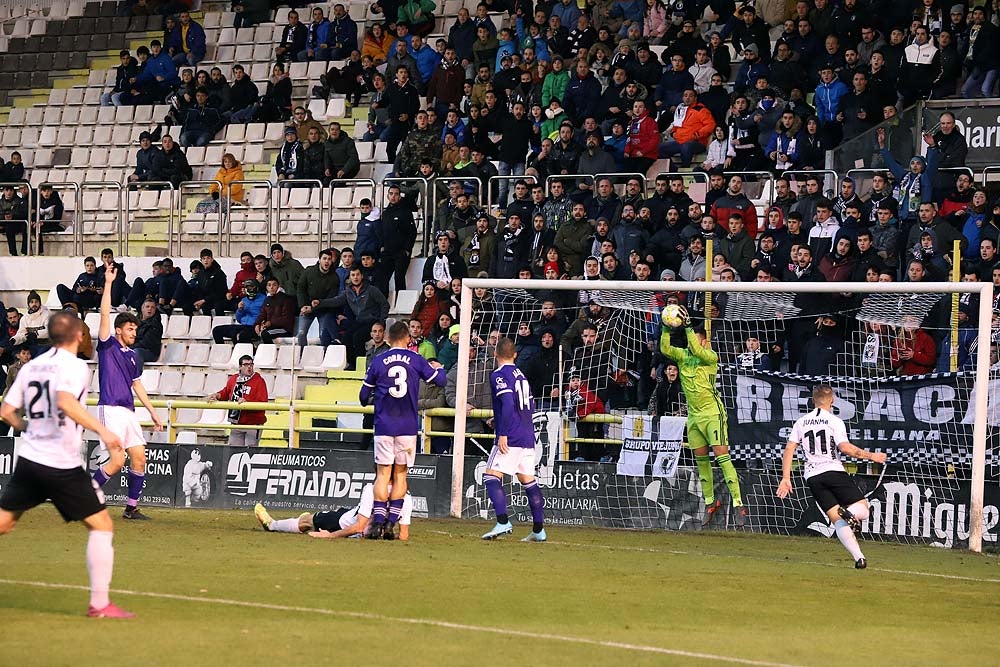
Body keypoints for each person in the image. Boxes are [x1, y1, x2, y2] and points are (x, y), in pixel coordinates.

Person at [0, 311, 133, 617]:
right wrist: (104, 431)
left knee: (5, 524)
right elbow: (64, 401)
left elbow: (7, 410)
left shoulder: (32, 365)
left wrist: (29, 427)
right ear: (76, 335)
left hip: (30, 458)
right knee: (101, 525)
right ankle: (100, 604)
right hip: (60, 462)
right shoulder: (75, 366)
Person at [777, 385, 887, 569]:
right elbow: (845, 448)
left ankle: (859, 558)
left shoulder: (801, 422)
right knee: (864, 510)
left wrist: (786, 478)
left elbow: (789, 449)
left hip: (812, 476)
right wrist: (872, 456)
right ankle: (851, 514)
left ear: (813, 401)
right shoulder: (835, 421)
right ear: (833, 400)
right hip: (833, 471)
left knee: (837, 520)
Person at [659, 305, 745, 526]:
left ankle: (738, 504)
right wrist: (666, 328)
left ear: (704, 341)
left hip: (713, 414)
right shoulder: (682, 356)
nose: (691, 344)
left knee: (722, 457)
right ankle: (710, 501)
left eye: (696, 340)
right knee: (701, 461)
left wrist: (687, 327)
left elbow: (697, 350)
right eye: (690, 340)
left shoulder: (709, 356)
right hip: (694, 418)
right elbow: (665, 349)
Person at [358, 321, 445, 539]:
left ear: (388, 338)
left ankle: (377, 522)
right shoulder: (416, 359)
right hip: (407, 426)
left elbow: (362, 397)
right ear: (407, 338)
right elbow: (441, 381)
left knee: (383, 473)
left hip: (384, 425)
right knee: (401, 474)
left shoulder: (378, 361)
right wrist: (437, 369)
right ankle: (390, 524)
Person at [90, 263, 164, 520]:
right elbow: (103, 315)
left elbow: (137, 385)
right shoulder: (107, 345)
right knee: (117, 461)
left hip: (129, 411)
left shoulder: (133, 356)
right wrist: (109, 283)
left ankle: (131, 508)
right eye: (130, 329)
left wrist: (153, 412)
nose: (134, 332)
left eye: (135, 328)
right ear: (118, 330)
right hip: (109, 408)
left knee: (140, 459)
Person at [480, 337, 547, 542]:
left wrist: (503, 433)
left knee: (491, 476)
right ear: (515, 355)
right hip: (527, 435)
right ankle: (538, 530)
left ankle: (502, 521)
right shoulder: (521, 376)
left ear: (495, 354)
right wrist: (498, 418)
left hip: (512, 435)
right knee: (528, 480)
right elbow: (530, 404)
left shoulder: (499, 374)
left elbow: (508, 403)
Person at [254, 482, 412, 540]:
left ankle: (272, 525)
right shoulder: (407, 497)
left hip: (343, 524)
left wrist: (330, 535)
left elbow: (358, 527)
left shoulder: (372, 489)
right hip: (351, 516)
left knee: (308, 521)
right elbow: (404, 536)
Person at [206, 355, 268, 446]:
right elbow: (227, 392)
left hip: (253, 424)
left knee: (249, 452)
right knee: (234, 451)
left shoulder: (259, 381)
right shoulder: (234, 379)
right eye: (246, 364)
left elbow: (263, 402)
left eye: (251, 364)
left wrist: (247, 402)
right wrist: (217, 395)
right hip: (236, 423)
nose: (249, 367)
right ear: (240, 366)